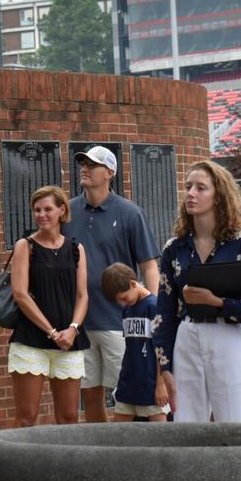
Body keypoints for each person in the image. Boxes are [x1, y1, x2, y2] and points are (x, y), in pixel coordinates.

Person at [152, 160, 241, 423]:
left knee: (237, 421)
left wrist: (218, 302)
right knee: (188, 424)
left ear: (219, 195)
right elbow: (164, 312)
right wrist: (165, 367)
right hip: (187, 336)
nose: (191, 193)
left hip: (228, 334)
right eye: (188, 187)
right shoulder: (175, 248)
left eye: (201, 188)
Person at [63, 146, 160, 423]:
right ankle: (100, 453)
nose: (85, 168)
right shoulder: (67, 212)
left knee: (130, 393)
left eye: (92, 165)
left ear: (109, 173)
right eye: (82, 163)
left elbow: (149, 265)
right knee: (90, 393)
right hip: (80, 322)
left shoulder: (130, 212)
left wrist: (150, 308)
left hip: (121, 321)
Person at [8, 185, 89, 426]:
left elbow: (83, 295)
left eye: (47, 209)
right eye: (36, 210)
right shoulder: (26, 246)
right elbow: (20, 294)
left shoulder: (76, 249)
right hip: (32, 340)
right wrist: (52, 332)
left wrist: (73, 329)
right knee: (27, 417)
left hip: (68, 340)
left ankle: (65, 464)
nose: (41, 215)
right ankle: (18, 464)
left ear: (62, 211)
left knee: (69, 417)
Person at [101, 262, 168, 422]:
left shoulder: (154, 307)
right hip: (128, 383)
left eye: (124, 298)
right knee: (119, 435)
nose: (123, 303)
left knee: (161, 436)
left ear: (133, 283)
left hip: (151, 383)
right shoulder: (127, 309)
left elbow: (162, 349)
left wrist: (161, 384)